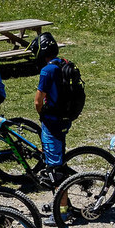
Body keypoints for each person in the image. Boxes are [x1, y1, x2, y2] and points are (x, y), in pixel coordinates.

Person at [33, 32, 86, 174]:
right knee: (59, 149)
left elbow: (38, 102)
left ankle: (62, 180)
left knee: (54, 165)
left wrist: (42, 114)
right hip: (67, 115)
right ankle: (71, 177)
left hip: (53, 119)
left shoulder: (47, 70)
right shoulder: (64, 63)